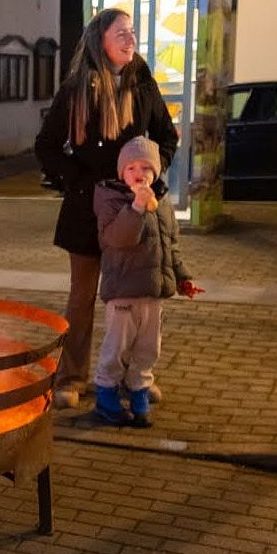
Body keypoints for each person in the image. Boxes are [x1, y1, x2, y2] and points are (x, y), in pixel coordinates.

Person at [34, 7, 179, 409]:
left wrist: (151, 171)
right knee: (81, 297)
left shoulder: (144, 86)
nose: (131, 39)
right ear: (102, 40)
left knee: (136, 300)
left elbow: (167, 138)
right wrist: (79, 182)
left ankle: (135, 378)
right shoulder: (77, 89)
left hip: (133, 211)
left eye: (132, 32)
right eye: (122, 33)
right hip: (87, 211)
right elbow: (46, 146)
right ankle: (72, 377)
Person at [93, 137, 202, 426]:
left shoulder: (162, 203)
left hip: (152, 293)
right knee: (117, 347)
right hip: (122, 293)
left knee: (148, 347)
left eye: (145, 167)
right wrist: (137, 208)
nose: (138, 173)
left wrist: (182, 277)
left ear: (155, 173)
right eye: (130, 167)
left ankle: (139, 390)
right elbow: (118, 238)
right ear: (121, 173)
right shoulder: (110, 199)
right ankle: (105, 394)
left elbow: (170, 245)